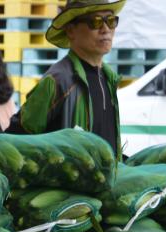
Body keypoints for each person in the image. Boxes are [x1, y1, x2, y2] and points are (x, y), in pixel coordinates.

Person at [10, 0, 126, 158]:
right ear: (71, 31)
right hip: (68, 182)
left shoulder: (108, 78)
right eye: (96, 22)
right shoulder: (58, 81)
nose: (105, 29)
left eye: (111, 21)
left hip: (105, 181)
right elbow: (17, 137)